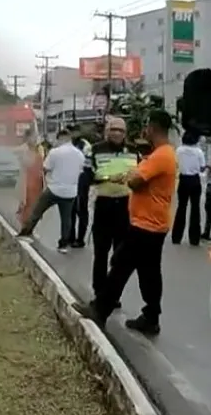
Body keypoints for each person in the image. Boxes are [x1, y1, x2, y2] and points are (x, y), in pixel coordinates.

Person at [74, 109, 177, 336]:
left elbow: (135, 181)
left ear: (154, 127)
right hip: (151, 223)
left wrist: (131, 176)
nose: (144, 130)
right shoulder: (161, 154)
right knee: (149, 271)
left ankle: (100, 310)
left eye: (147, 125)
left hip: (146, 224)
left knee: (120, 265)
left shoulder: (161, 155)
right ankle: (151, 317)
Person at [87, 116, 139, 306]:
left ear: (125, 133)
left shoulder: (134, 151)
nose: (117, 133)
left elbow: (139, 175)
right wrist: (110, 177)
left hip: (126, 206)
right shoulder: (95, 150)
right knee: (101, 252)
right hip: (104, 204)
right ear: (107, 131)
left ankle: (113, 294)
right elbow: (89, 176)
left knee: (120, 255)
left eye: (120, 130)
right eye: (113, 129)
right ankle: (99, 291)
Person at [16, 128, 85, 253]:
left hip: (54, 189)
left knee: (37, 211)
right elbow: (80, 171)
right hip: (70, 192)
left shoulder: (55, 152)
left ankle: (25, 232)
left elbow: (45, 168)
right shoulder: (79, 154)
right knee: (66, 219)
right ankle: (63, 244)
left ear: (60, 138)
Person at [172, 131, 206, 246]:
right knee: (195, 209)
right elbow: (202, 168)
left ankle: (176, 236)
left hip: (183, 180)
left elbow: (175, 164)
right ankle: (194, 238)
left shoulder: (179, 150)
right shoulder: (199, 152)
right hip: (195, 180)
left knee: (181, 207)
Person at [69, 126, 94, 248]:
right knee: (70, 210)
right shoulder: (67, 145)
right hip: (69, 181)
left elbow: (88, 166)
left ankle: (80, 238)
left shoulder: (85, 146)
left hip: (82, 179)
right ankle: (70, 236)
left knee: (81, 209)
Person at [15, 131, 45, 228]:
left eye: (36, 138)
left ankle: (31, 226)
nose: (34, 140)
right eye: (32, 137)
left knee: (36, 205)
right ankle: (25, 225)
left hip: (37, 181)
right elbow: (26, 162)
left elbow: (43, 163)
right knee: (26, 204)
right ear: (27, 138)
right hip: (27, 180)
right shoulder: (23, 149)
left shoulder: (40, 149)